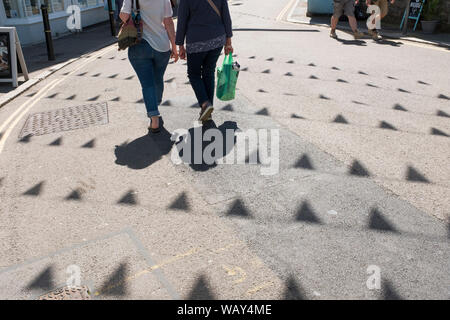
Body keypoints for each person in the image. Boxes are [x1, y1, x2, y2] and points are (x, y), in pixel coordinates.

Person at [120, 0, 178, 133]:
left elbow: (123, 16)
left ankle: (154, 118)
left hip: (139, 44)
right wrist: (174, 47)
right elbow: (168, 22)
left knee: (147, 84)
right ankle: (155, 103)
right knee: (157, 78)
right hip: (162, 46)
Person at [175, 0, 233, 122]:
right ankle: (208, 111)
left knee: (194, 74)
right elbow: (226, 16)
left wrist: (180, 44)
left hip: (196, 41)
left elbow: (182, 21)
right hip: (217, 39)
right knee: (208, 72)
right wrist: (228, 41)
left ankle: (205, 104)